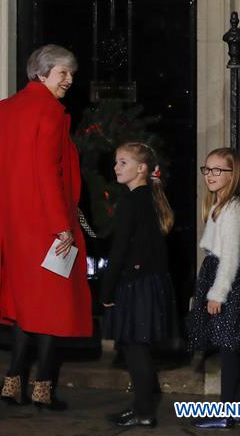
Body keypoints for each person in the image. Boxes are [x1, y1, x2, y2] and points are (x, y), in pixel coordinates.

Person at [0, 44, 91, 409]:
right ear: (41, 74)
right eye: (62, 73)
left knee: (25, 307)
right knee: (51, 310)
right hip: (46, 227)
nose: (69, 80)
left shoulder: (6, 108)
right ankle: (42, 388)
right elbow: (46, 172)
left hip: (12, 229)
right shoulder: (51, 112)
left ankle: (12, 383)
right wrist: (61, 227)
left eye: (70, 73)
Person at [100, 142, 176, 428]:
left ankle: (144, 412)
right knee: (136, 349)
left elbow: (120, 250)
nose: (116, 167)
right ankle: (141, 409)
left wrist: (107, 290)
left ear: (141, 168)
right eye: (116, 162)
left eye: (123, 162)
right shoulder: (148, 198)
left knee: (135, 350)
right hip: (148, 282)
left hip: (135, 284)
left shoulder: (133, 201)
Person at [187, 147, 240, 430]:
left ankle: (228, 412)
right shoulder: (219, 205)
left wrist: (217, 294)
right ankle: (232, 409)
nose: (210, 175)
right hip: (218, 274)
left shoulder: (232, 209)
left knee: (229, 348)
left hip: (227, 280)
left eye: (218, 170)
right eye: (207, 169)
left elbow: (230, 257)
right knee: (228, 348)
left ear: (233, 174)